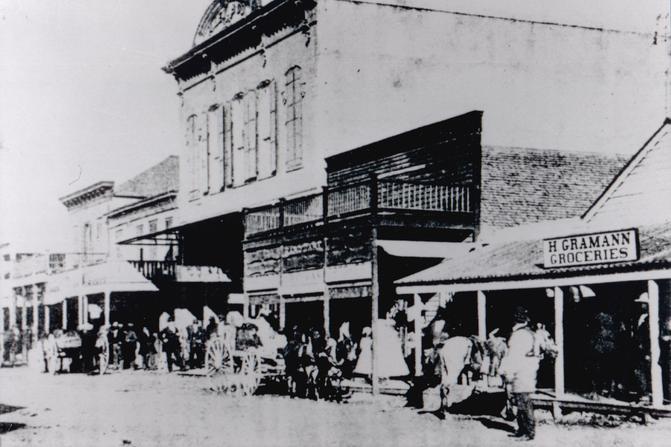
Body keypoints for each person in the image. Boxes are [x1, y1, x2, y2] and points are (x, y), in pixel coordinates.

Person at [499, 307, 539, 441]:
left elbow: (513, 357)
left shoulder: (518, 335)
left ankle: (528, 432)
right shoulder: (530, 333)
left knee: (523, 402)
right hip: (528, 369)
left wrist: (507, 372)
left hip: (521, 371)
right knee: (521, 401)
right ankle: (522, 430)